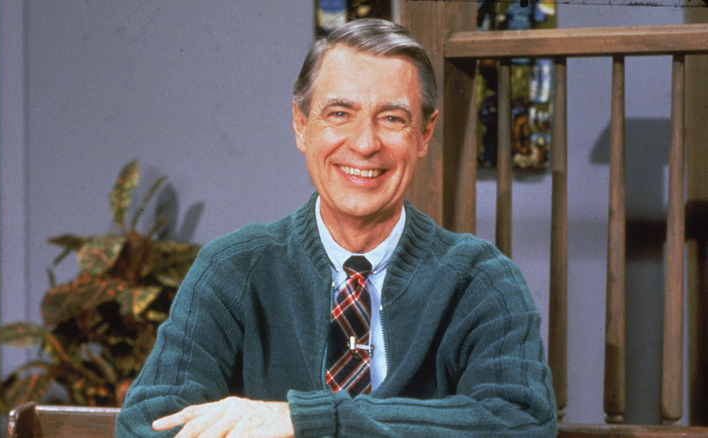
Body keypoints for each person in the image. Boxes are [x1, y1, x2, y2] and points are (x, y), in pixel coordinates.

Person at [116, 19, 557, 437]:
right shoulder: (232, 268)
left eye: (392, 118)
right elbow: (147, 424)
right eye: (340, 113)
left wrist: (308, 421)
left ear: (424, 134)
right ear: (301, 125)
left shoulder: (482, 280)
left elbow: (522, 424)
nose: (365, 144)